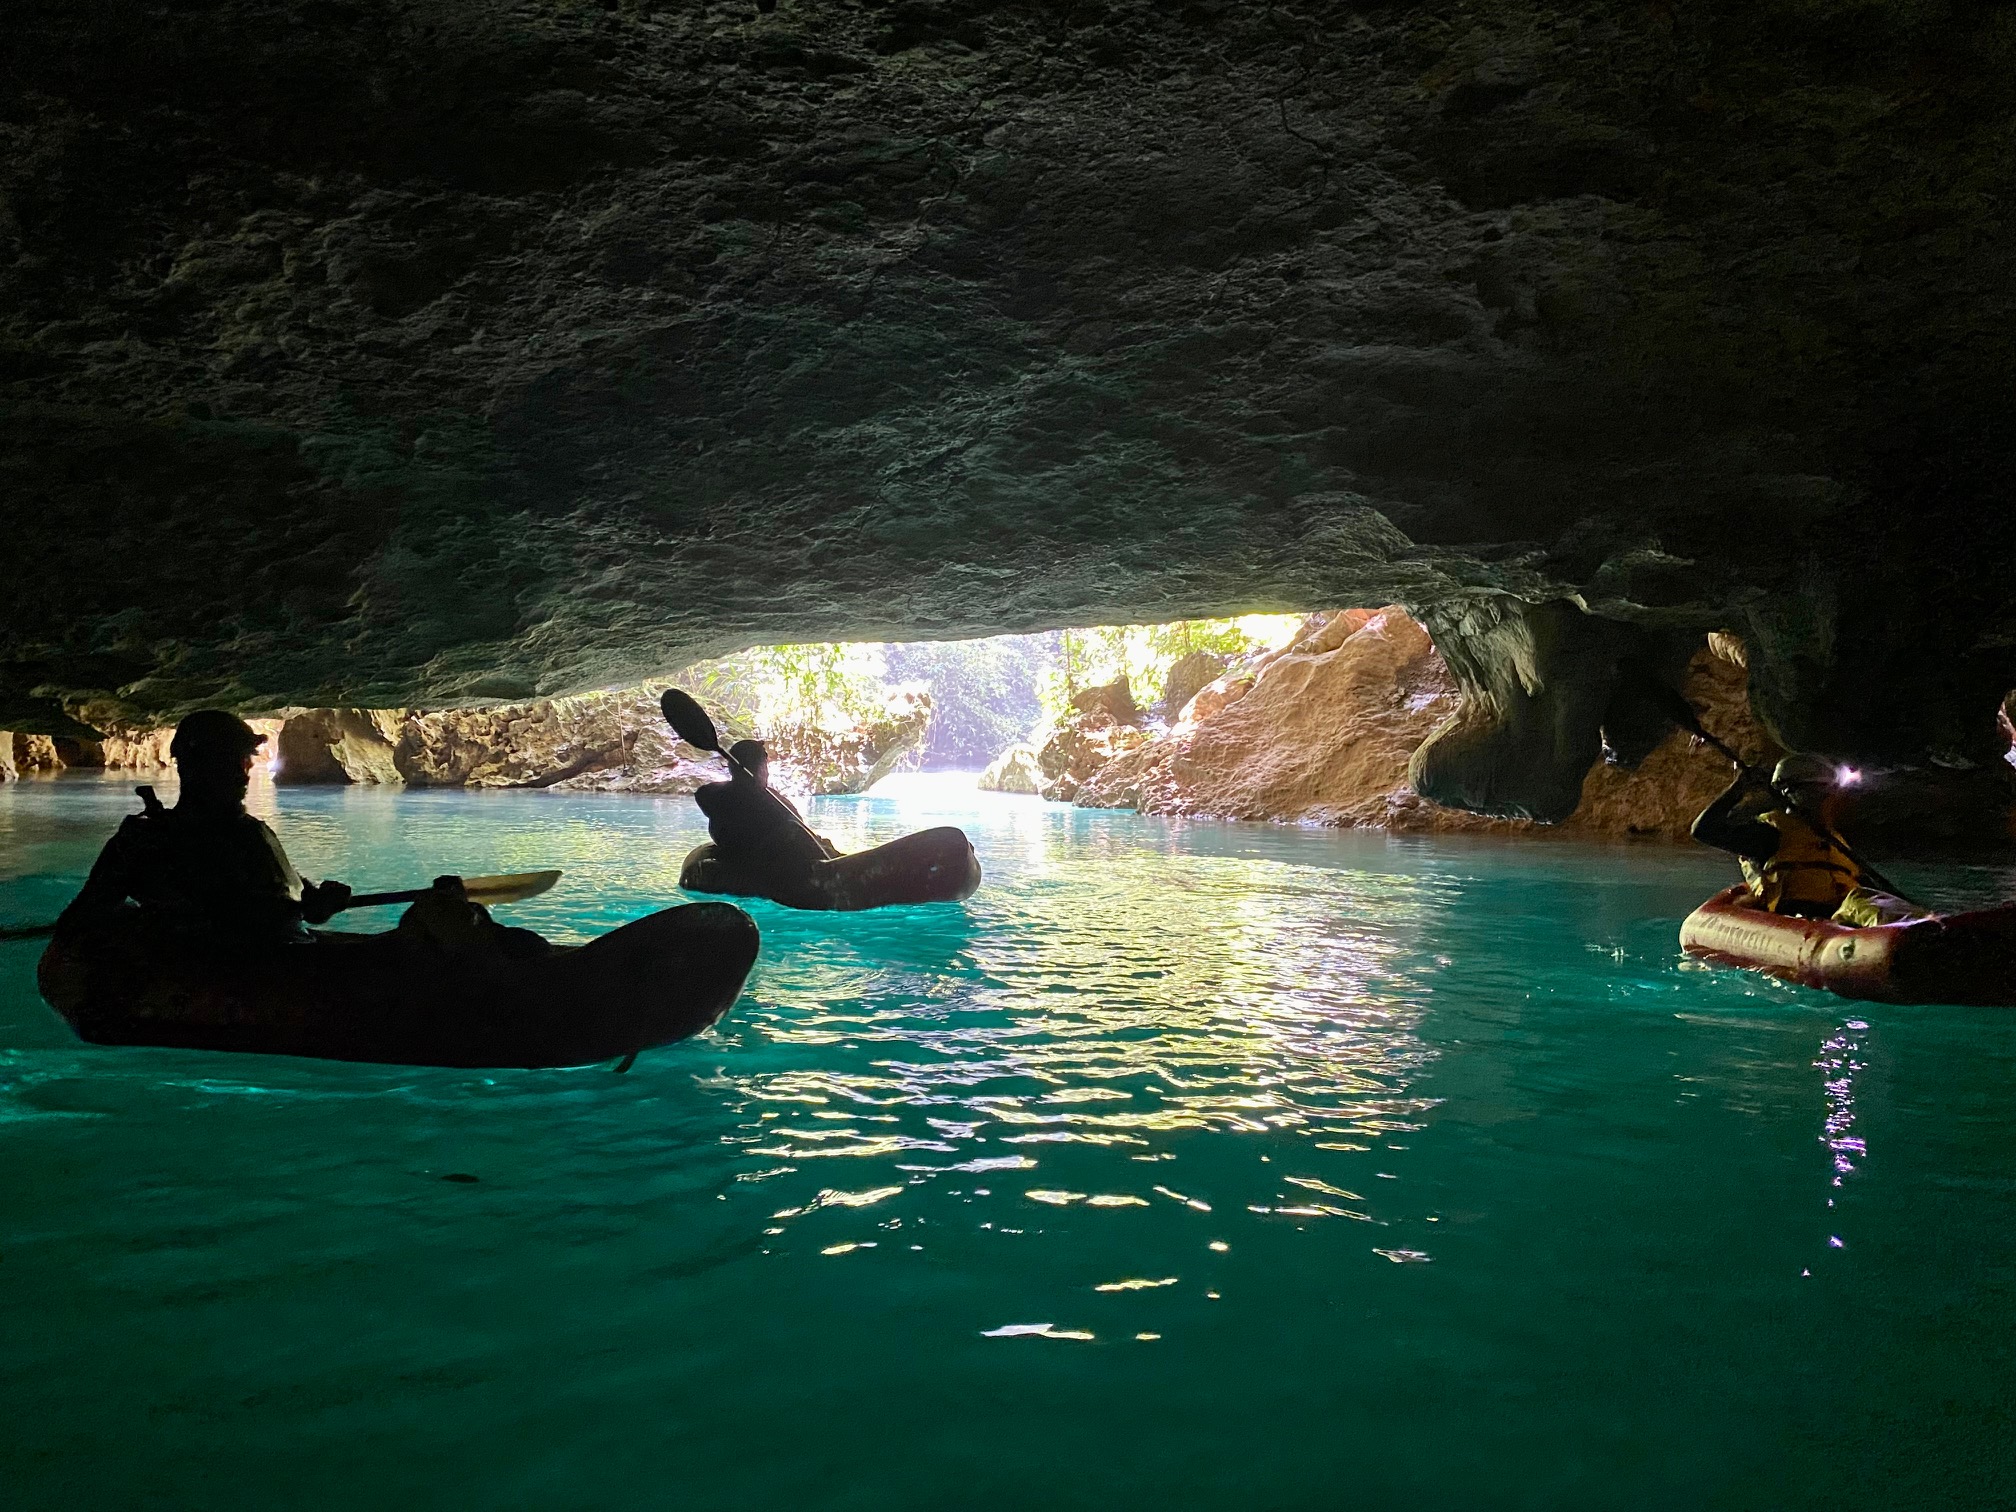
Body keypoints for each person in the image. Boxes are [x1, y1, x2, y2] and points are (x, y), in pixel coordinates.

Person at [58, 710, 351, 948]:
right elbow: (80, 923)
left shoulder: (253, 832)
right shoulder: (146, 839)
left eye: (245, 759)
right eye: (227, 760)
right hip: (216, 977)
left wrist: (320, 901)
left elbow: (298, 902)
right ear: (194, 766)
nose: (242, 771)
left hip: (283, 958)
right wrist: (150, 923)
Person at [1691, 752, 1917, 925]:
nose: (1827, 799)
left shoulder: (1835, 840)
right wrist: (1739, 788)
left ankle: (1922, 926)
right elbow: (1703, 830)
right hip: (1797, 918)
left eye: (1827, 792)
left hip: (1841, 920)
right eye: (1818, 791)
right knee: (1859, 901)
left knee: (1867, 899)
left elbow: (1868, 890)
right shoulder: (1770, 834)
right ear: (1792, 793)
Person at [693, 739, 838, 876]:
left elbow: (702, 794)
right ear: (757, 768)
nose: (767, 772)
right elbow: (799, 829)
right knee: (795, 830)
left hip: (747, 855)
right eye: (765, 765)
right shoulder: (769, 802)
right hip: (760, 859)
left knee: (810, 837)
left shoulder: (714, 794)